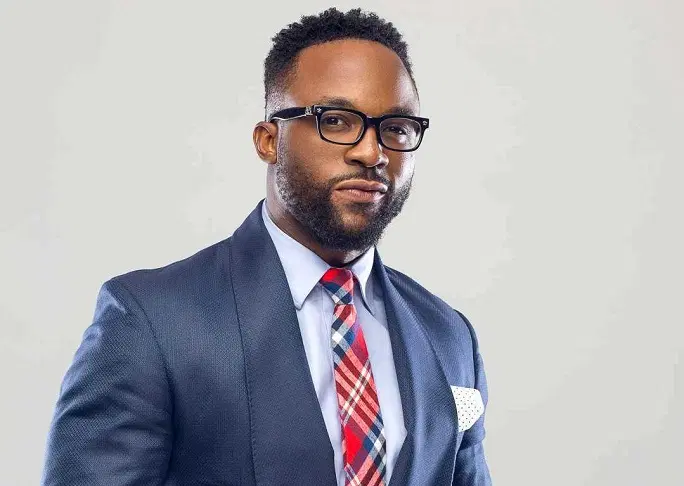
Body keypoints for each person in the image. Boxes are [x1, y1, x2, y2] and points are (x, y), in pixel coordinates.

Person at [42, 7, 491, 486]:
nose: (371, 152)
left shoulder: (447, 334)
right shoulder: (152, 321)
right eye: (336, 120)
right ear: (268, 141)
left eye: (397, 128)